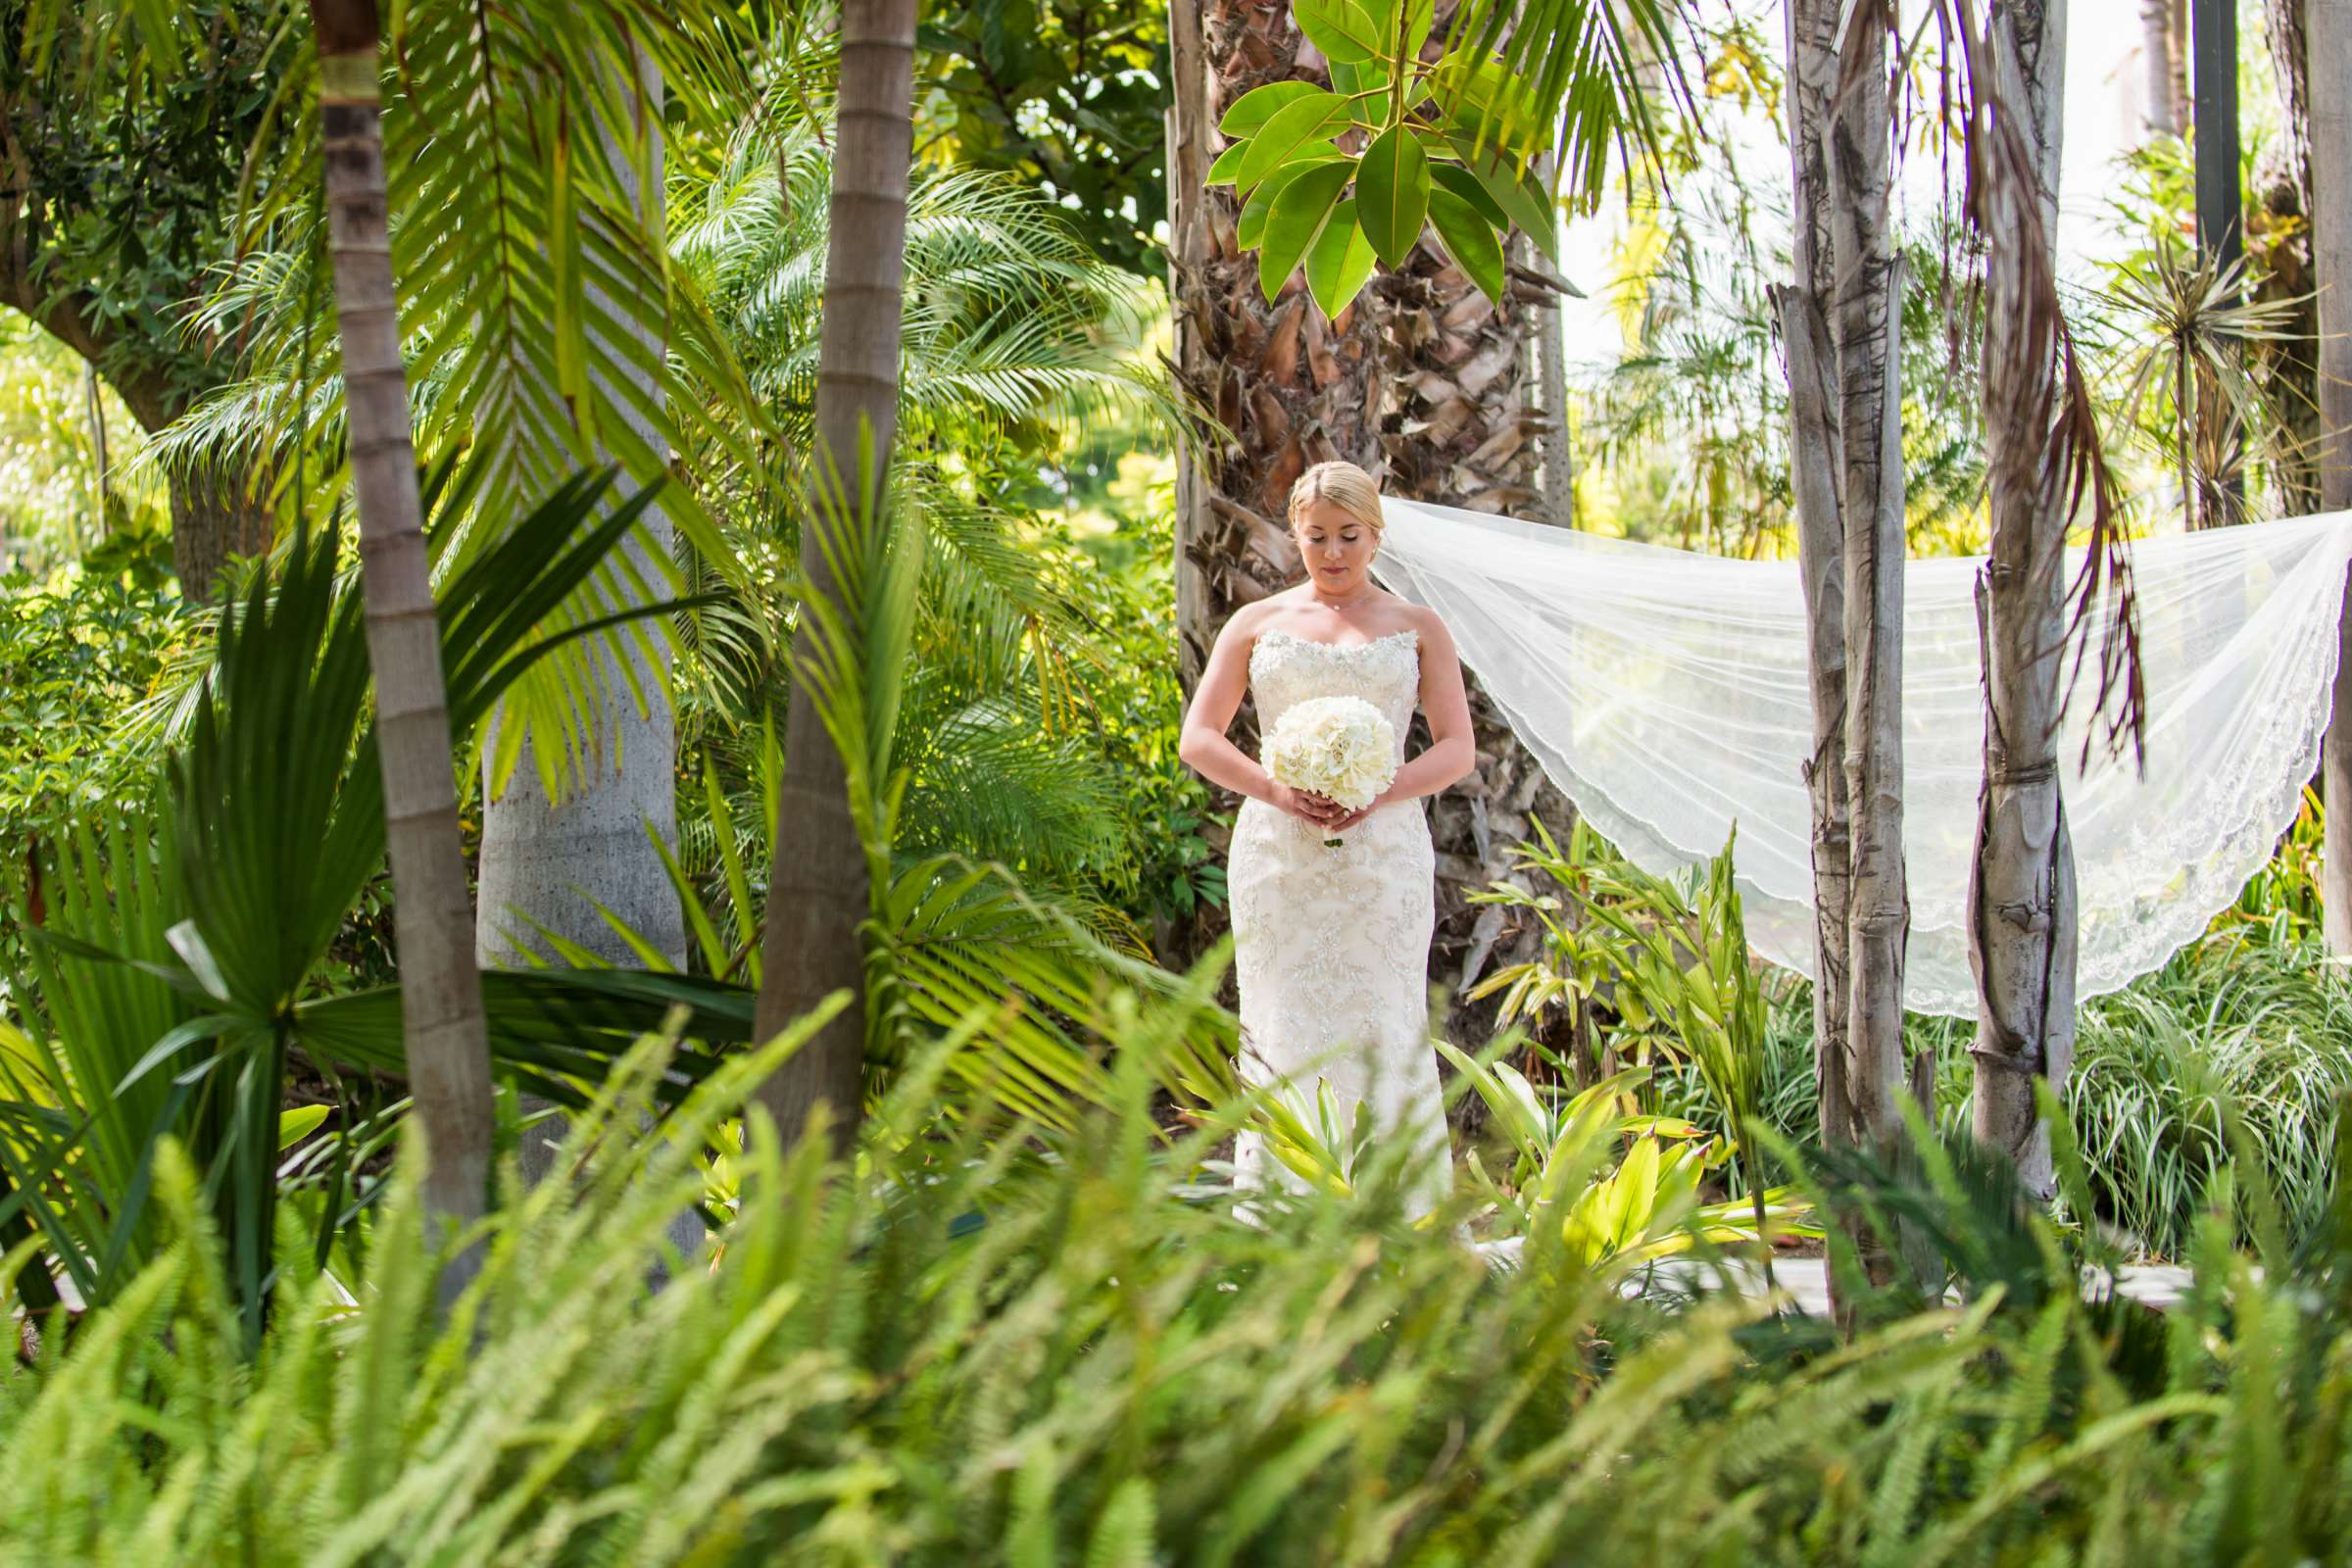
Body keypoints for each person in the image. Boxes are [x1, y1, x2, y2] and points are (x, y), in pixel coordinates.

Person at [1178, 460, 1477, 1217]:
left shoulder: (1417, 629)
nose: (1333, 553)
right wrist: (1279, 790)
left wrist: (1380, 791)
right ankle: (1284, 1220)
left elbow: (1454, 750)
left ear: (1376, 536)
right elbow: (1200, 739)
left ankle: (1397, 1217)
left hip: (1385, 859)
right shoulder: (1257, 624)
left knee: (1386, 1019)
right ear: (1295, 537)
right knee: (1283, 1023)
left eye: (1349, 536)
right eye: (1316, 537)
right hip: (1280, 860)